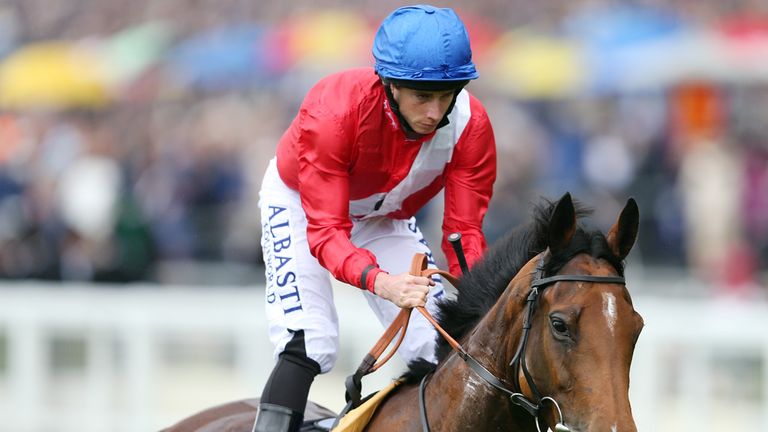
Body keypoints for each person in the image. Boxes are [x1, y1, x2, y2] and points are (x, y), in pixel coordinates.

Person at [253, 5, 497, 431]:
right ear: (389, 84)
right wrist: (383, 282)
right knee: (310, 339)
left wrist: (483, 306)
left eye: (447, 95)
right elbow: (327, 232)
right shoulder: (333, 112)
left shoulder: (471, 126)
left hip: (383, 217)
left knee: (442, 342)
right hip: (303, 204)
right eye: (422, 96)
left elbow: (464, 234)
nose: (434, 113)